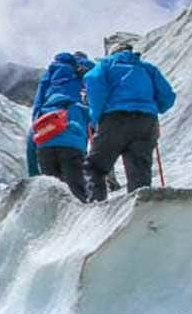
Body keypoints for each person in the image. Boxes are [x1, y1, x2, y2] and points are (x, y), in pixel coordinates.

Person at [83, 33, 176, 200]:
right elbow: (168, 96)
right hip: (147, 122)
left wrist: (94, 116)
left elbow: (93, 83)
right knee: (139, 174)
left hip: (115, 119)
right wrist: (156, 107)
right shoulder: (148, 68)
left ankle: (95, 211)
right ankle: (140, 214)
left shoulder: (105, 65)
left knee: (94, 167)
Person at [30, 51, 94, 201]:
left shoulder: (51, 73)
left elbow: (38, 102)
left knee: (53, 194)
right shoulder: (86, 74)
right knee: (76, 191)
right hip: (73, 143)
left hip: (45, 139)